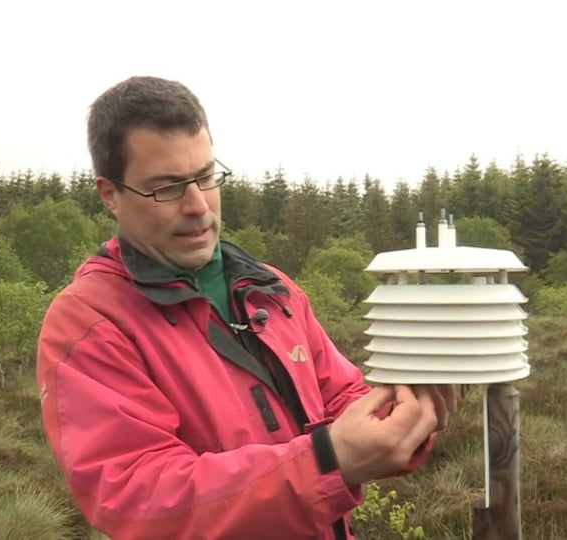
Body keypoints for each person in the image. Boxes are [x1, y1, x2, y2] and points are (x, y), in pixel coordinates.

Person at [35, 75, 457, 540]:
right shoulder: (89, 322)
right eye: (167, 188)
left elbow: (341, 398)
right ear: (110, 194)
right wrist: (328, 460)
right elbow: (139, 497)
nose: (198, 206)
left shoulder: (273, 290)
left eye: (205, 177)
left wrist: (405, 419)